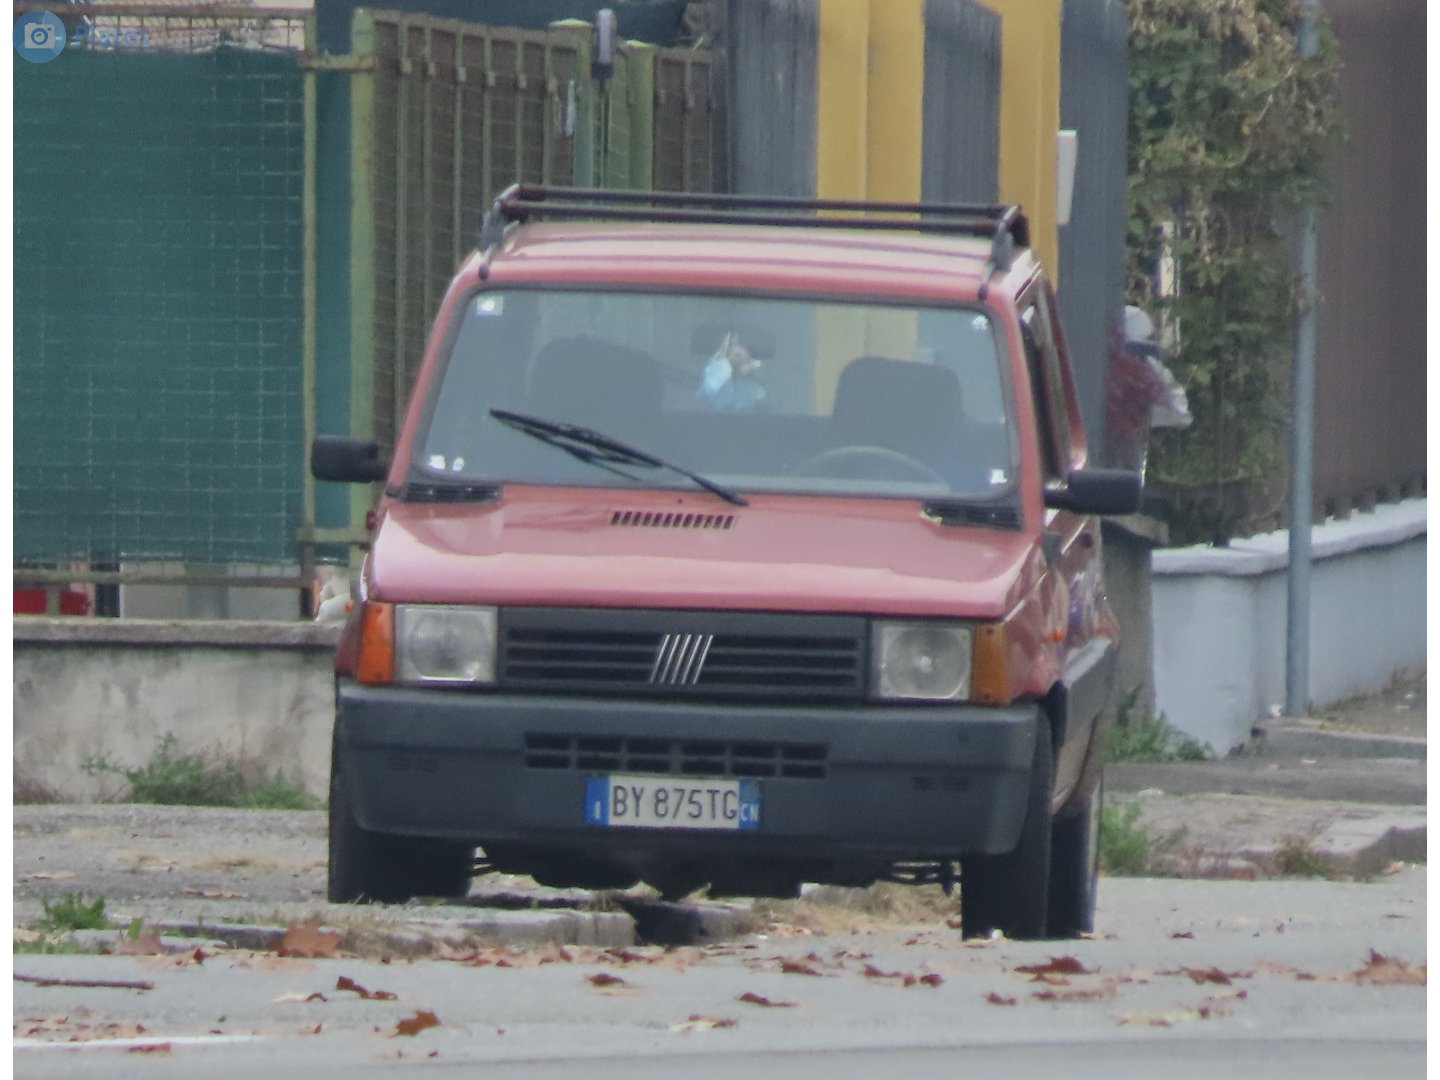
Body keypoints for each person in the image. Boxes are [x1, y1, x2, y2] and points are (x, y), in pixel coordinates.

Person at [697, 330, 767, 411]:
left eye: (739, 354)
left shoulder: (755, 390)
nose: (734, 350)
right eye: (729, 348)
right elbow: (709, 393)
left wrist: (752, 370)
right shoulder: (711, 381)